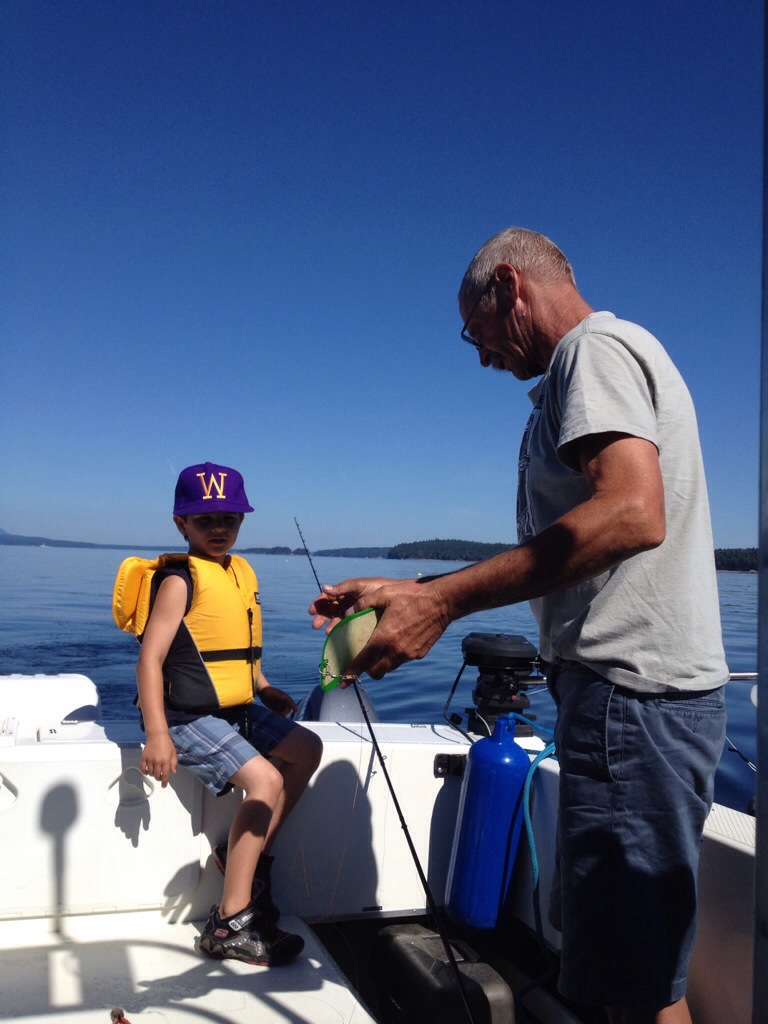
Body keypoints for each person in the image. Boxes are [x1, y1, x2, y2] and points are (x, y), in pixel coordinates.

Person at [309, 229, 728, 1023]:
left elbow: (632, 513)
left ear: (509, 285)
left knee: (629, 991)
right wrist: (416, 589)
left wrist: (444, 603)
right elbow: (590, 536)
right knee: (638, 977)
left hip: (629, 705)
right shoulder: (600, 361)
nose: (481, 358)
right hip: (633, 708)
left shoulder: (591, 351)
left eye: (476, 332)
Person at [125, 461, 322, 966]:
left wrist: (264, 686)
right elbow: (149, 659)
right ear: (181, 524)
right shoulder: (180, 581)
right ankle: (228, 922)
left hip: (236, 707)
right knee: (266, 781)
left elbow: (235, 646)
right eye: (205, 520)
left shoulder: (239, 572)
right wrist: (157, 733)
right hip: (185, 717)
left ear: (241, 521)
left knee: (306, 748)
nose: (218, 528)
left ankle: (244, 861)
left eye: (229, 518)